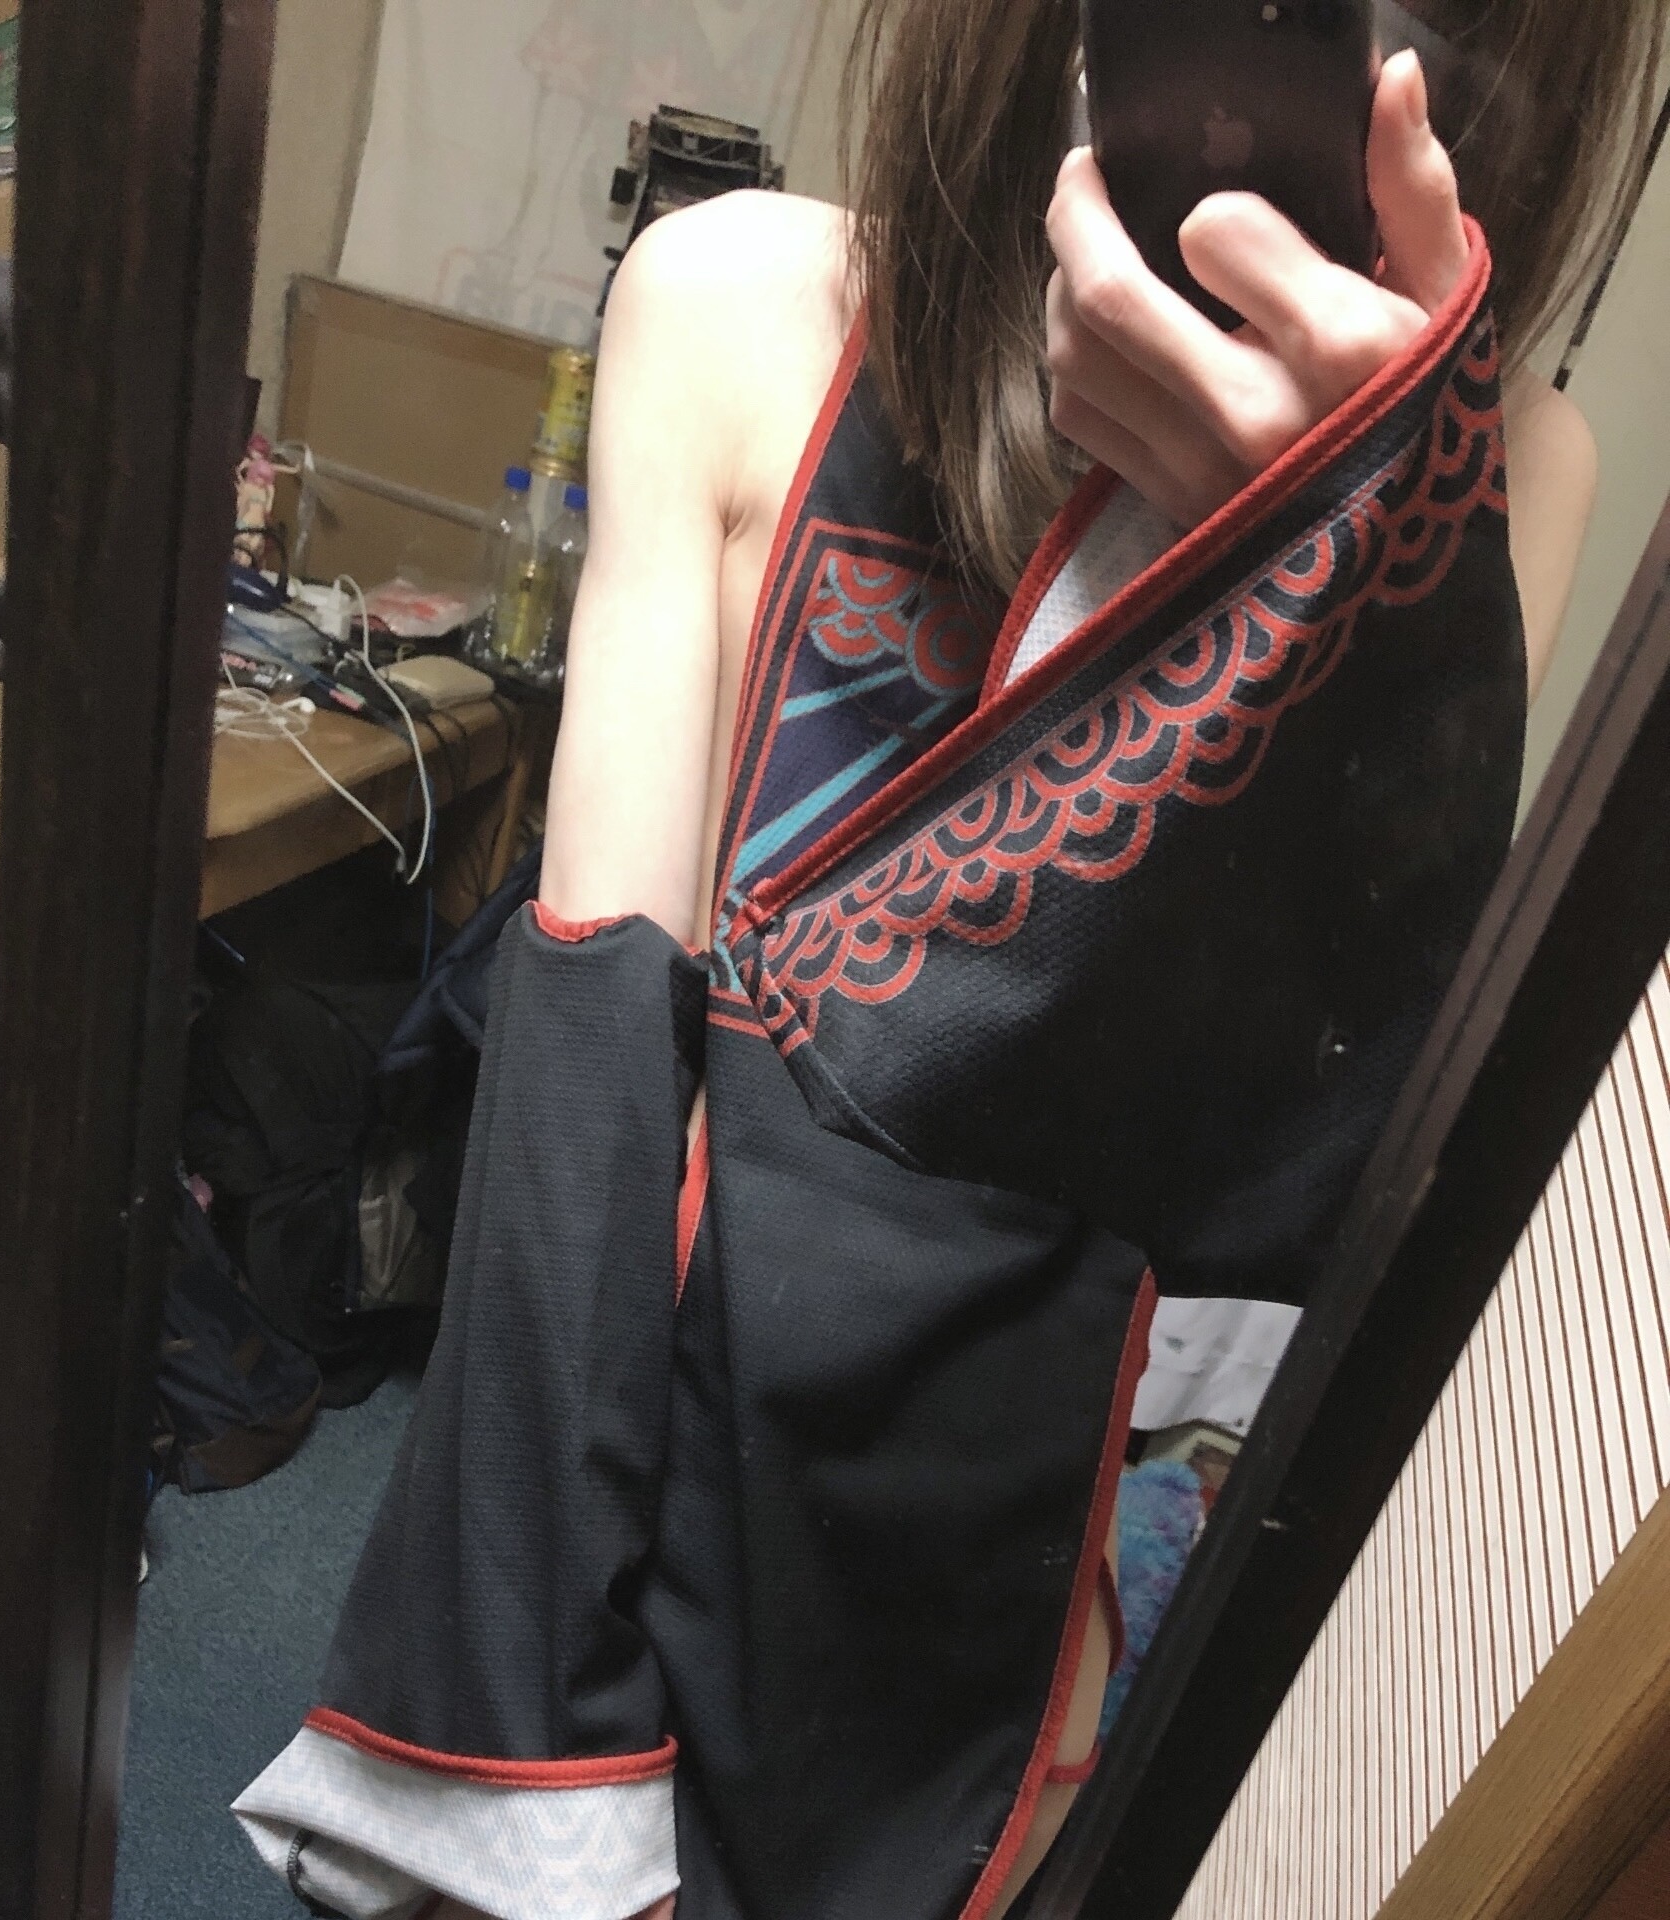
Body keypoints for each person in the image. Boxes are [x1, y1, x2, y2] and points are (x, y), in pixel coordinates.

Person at [235, 4, 1667, 1917]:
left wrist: (1325, 579)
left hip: (1024, 1676)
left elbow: (1260, 1211)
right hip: (676, 1544)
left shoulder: (1507, 474)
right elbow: (575, 1144)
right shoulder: (745, 305)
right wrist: (550, 1810)